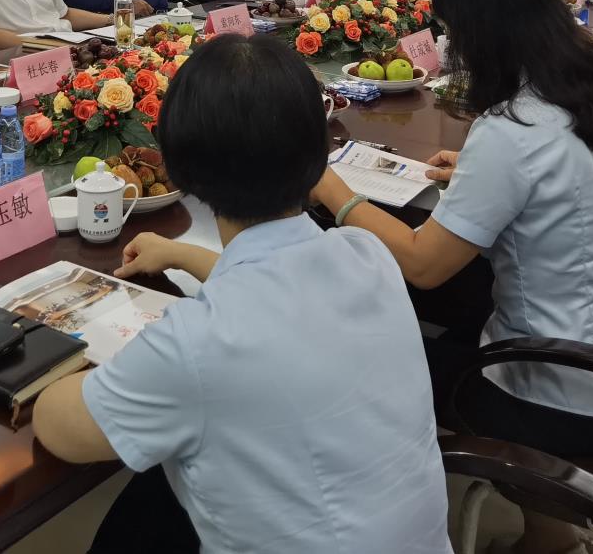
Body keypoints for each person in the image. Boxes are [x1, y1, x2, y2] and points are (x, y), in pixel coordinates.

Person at [32, 33, 451, 554]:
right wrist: (182, 254)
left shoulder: (196, 345)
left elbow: (59, 428)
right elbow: (276, 292)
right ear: (319, 156)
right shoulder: (367, 255)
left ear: (178, 170)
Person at [308, 0, 593, 554]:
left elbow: (422, 264)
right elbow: (560, 188)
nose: (451, 50)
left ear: (483, 37)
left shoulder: (511, 131)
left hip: (562, 394)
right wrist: (478, 176)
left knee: (362, 347)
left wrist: (331, 189)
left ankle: (526, 530)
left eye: (453, 35)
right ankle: (551, 531)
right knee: (450, 303)